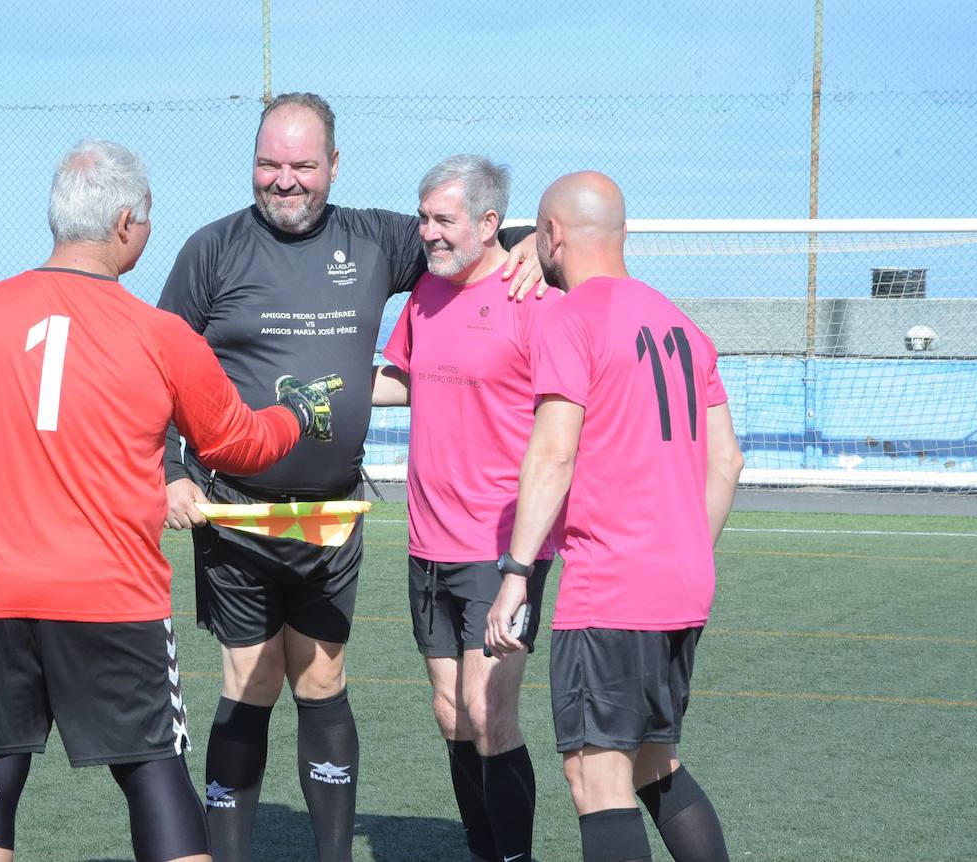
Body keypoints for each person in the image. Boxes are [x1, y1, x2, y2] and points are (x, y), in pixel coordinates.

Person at [0, 138, 343, 862]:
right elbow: (237, 446)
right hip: (110, 596)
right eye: (149, 217)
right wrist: (299, 411)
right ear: (126, 221)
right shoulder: (157, 334)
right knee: (153, 774)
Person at [156, 92, 545, 862]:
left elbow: (468, 233)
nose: (286, 180)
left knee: (324, 682)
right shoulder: (212, 249)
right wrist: (169, 469)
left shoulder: (375, 237)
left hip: (332, 516)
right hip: (235, 511)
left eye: (303, 164)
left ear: (334, 165)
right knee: (251, 683)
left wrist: (537, 243)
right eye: (270, 163)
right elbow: (158, 367)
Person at [486, 171, 745, 862]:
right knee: (654, 763)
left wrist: (514, 573)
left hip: (611, 590)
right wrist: (685, 545)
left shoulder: (570, 318)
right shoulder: (683, 326)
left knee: (594, 776)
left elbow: (552, 453)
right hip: (683, 581)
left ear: (552, 237)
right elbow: (726, 464)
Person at [372, 154, 562, 862]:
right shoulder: (423, 294)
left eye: (442, 219)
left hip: (501, 546)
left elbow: (568, 416)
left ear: (490, 223)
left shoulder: (534, 298)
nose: (427, 233)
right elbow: (402, 380)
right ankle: (485, 851)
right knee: (451, 713)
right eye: (423, 218)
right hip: (427, 542)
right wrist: (314, 389)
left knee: (491, 714)